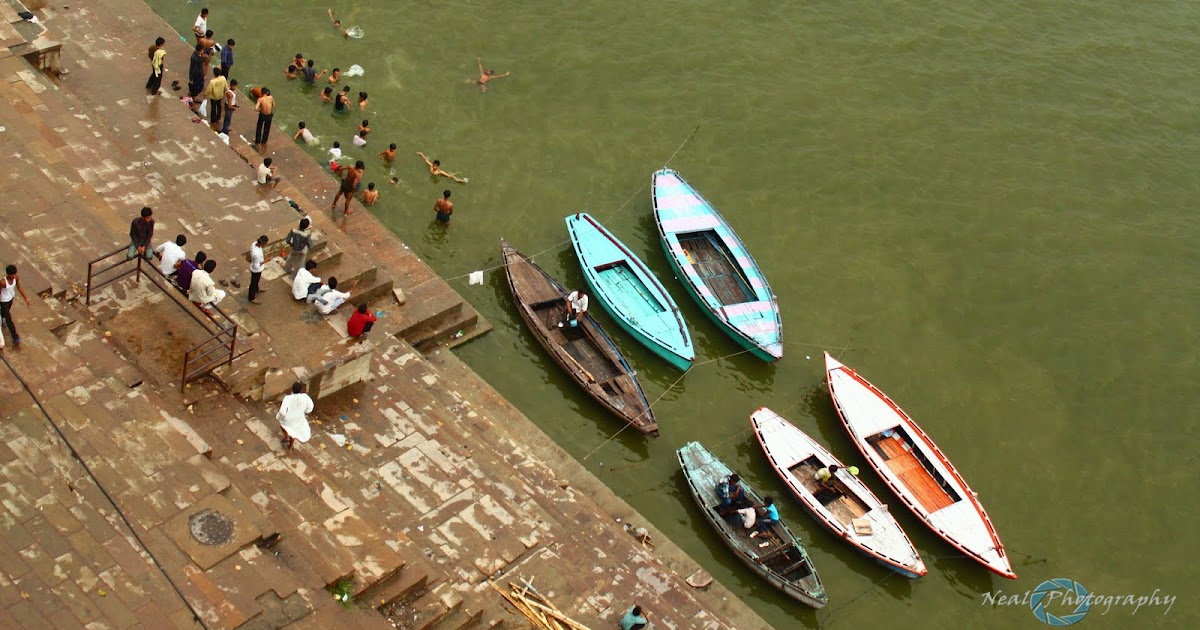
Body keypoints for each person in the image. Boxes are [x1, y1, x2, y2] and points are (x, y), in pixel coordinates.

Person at [277, 382, 314, 450]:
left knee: (283, 426)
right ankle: (290, 446)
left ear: (292, 389)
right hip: (299, 418)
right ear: (301, 390)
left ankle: (286, 437)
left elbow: (282, 412)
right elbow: (310, 407)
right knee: (293, 432)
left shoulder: (287, 398)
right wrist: (304, 411)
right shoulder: (305, 397)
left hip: (289, 419)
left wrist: (281, 417)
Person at [0, 265, 31, 347]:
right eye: (12, 274)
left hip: (10, 298)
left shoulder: (16, 278)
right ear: (8, 274)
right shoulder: (3, 282)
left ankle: (2, 318)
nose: (14, 276)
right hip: (3, 301)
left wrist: (26, 298)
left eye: (14, 274)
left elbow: (19, 288)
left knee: (5, 313)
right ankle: (15, 336)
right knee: (9, 319)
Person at [248, 235, 269, 304]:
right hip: (256, 270)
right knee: (253, 283)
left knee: (256, 281)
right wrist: (266, 261)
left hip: (257, 267)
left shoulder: (254, 244)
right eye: (265, 244)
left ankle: (256, 289)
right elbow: (256, 266)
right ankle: (251, 298)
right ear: (262, 243)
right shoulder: (256, 254)